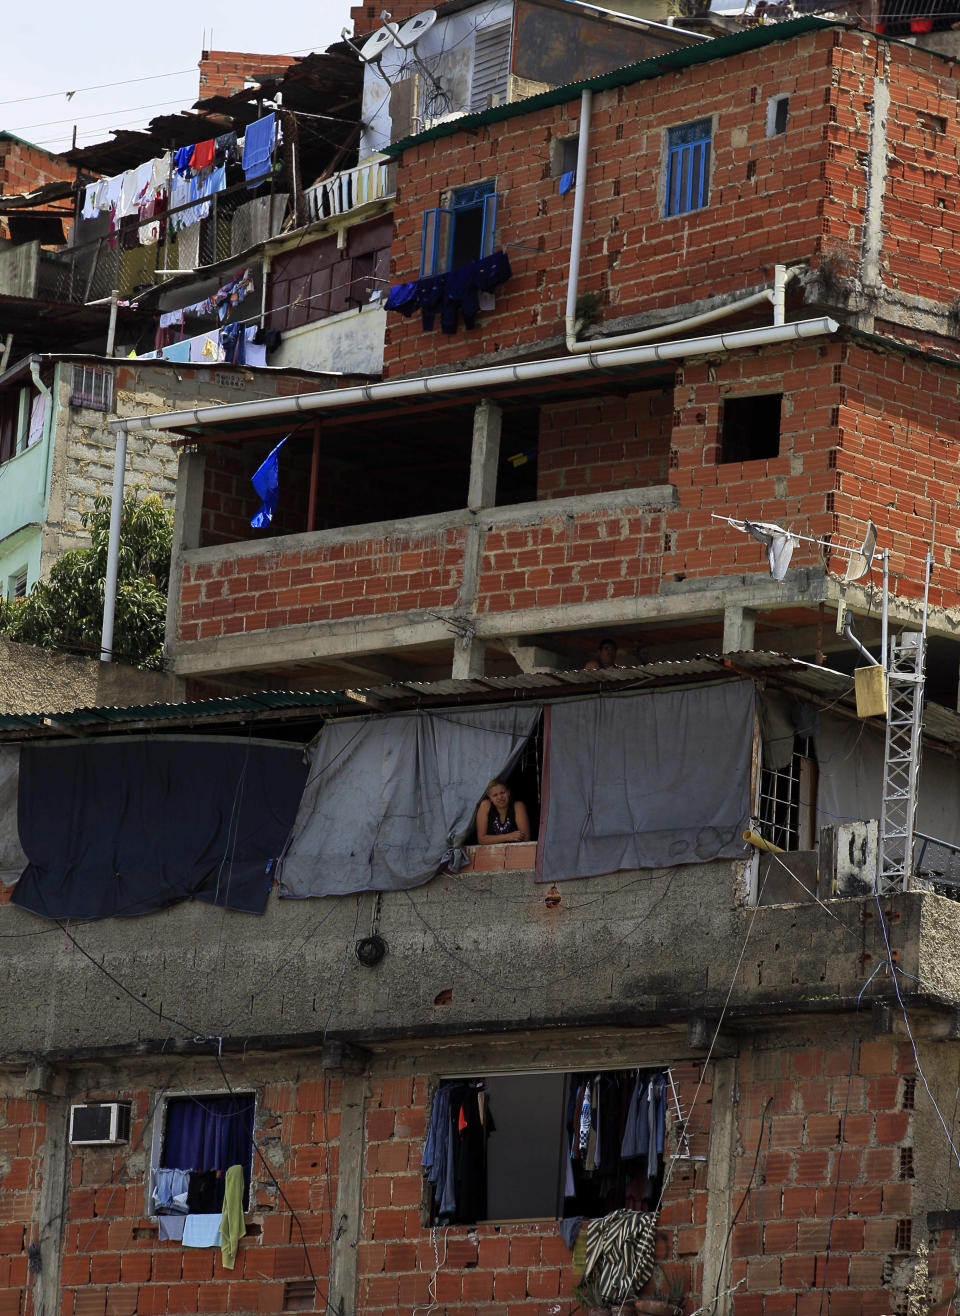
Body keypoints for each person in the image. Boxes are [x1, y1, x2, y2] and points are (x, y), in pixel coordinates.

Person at [476, 778, 530, 845]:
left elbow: (526, 838)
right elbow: (481, 840)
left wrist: (492, 839)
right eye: (495, 795)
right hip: (491, 853)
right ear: (490, 798)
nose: (500, 797)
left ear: (508, 792)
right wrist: (508, 836)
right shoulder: (485, 806)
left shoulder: (518, 806)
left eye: (502, 792)